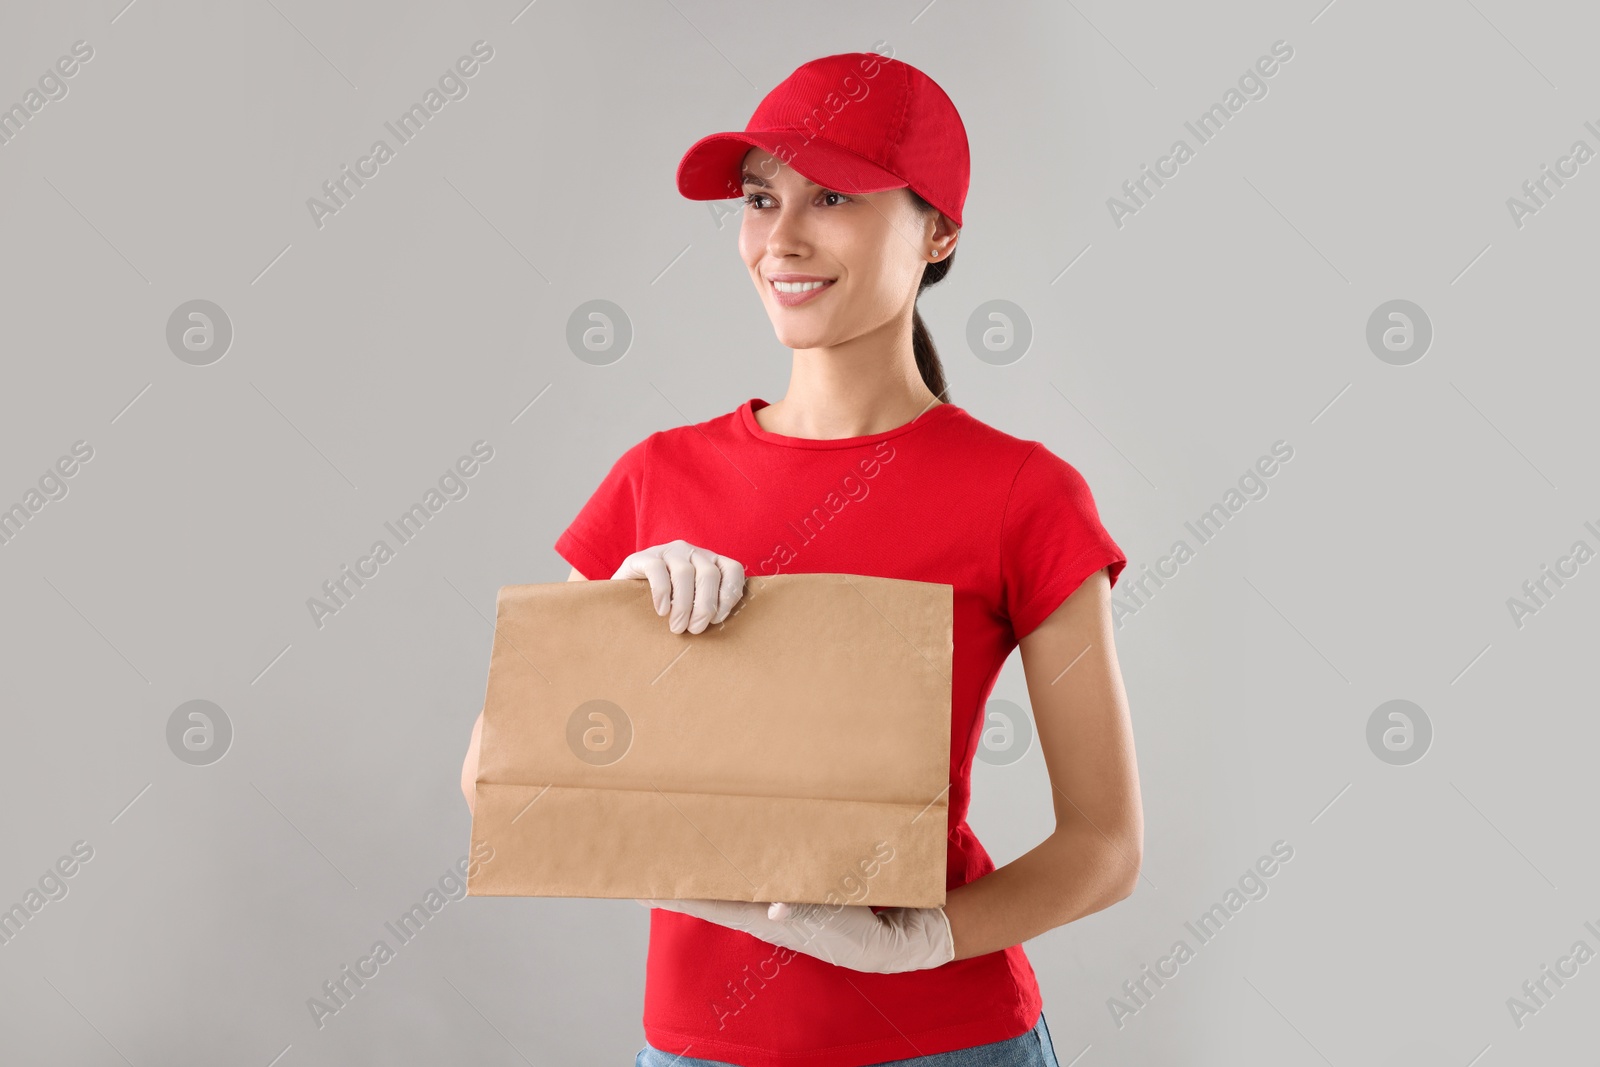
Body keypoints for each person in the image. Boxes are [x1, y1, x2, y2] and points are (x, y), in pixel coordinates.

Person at [461, 50, 1143, 1067]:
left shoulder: (1022, 495)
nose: (780, 236)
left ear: (940, 229)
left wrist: (922, 939)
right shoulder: (657, 480)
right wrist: (615, 622)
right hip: (705, 1050)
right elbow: (495, 782)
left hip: (950, 1043)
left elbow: (1105, 843)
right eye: (758, 197)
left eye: (831, 195)